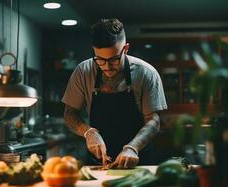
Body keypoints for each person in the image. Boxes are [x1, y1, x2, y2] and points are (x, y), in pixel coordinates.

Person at [62, 18, 167, 169]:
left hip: (138, 160)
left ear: (126, 48)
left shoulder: (146, 73)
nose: (107, 66)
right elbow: (70, 113)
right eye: (100, 60)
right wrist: (88, 132)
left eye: (114, 59)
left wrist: (132, 147)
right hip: (98, 162)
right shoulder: (83, 71)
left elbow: (154, 120)